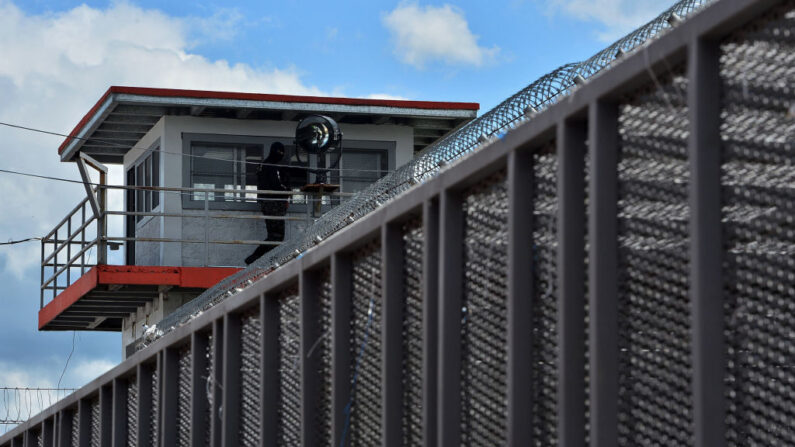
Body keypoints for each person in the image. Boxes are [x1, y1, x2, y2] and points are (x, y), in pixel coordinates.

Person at [245, 142, 290, 265]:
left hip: (267, 203)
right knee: (277, 236)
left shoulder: (262, 166)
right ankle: (262, 259)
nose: (281, 155)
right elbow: (275, 185)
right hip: (273, 204)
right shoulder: (271, 166)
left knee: (274, 235)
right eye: (280, 152)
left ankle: (258, 258)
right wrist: (287, 191)